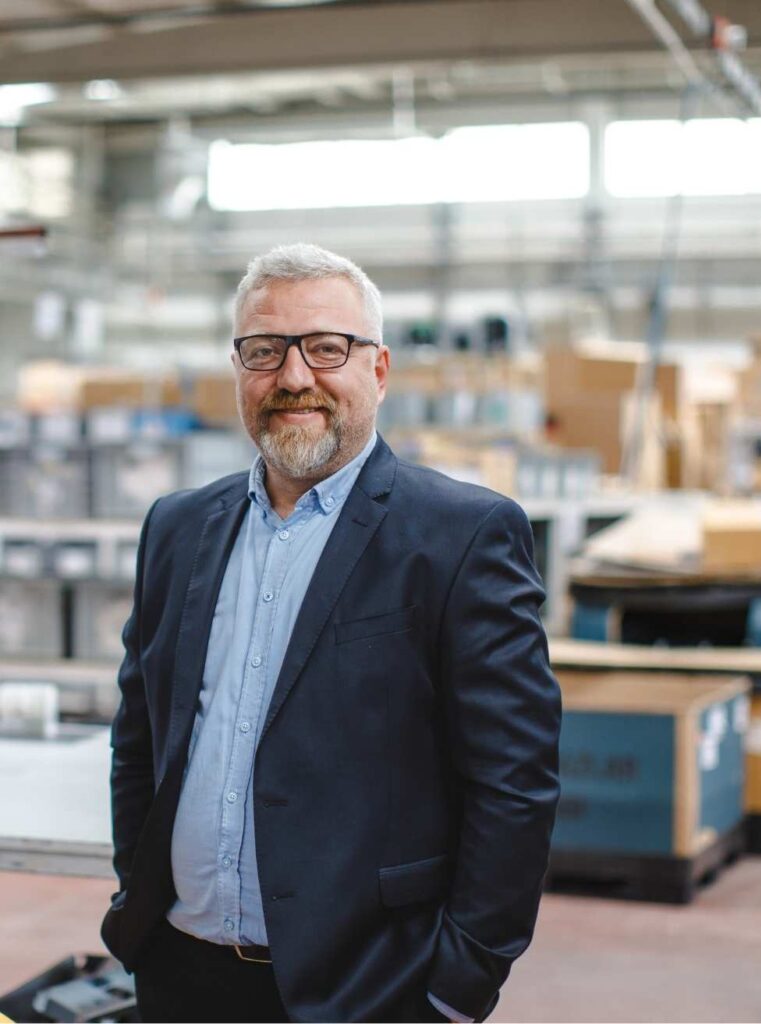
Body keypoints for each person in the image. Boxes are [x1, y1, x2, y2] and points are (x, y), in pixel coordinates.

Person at [101, 243, 561, 1024]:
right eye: (264, 350)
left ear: (377, 371)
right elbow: (140, 739)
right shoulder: (178, 527)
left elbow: (514, 782)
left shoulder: (460, 535)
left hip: (368, 986)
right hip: (179, 971)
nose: (292, 377)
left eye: (326, 347)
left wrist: (455, 988)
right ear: (238, 367)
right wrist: (136, 902)